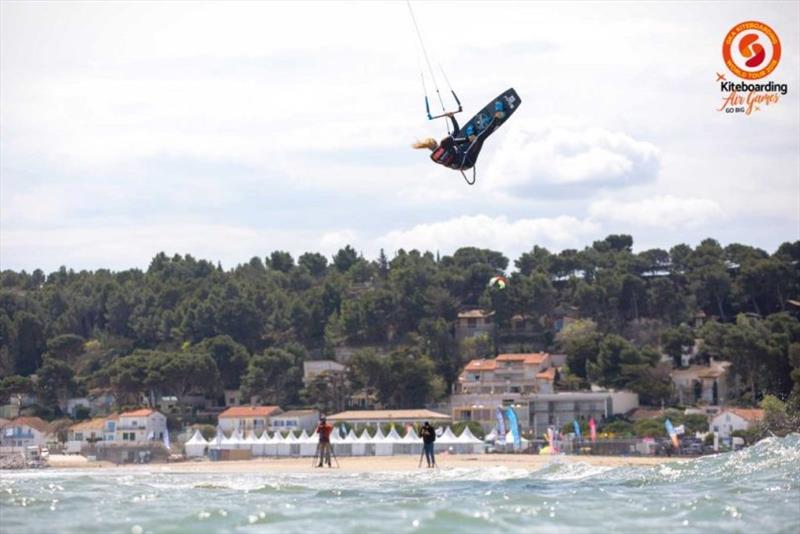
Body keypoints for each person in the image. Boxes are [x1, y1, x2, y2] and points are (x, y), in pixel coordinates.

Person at [412, 110, 505, 171]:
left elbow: (456, 133)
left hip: (464, 163)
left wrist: (452, 118)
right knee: (479, 139)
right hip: (467, 160)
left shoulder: (434, 157)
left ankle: (469, 137)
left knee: (456, 142)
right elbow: (454, 135)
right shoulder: (444, 144)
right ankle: (497, 118)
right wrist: (452, 117)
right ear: (435, 142)